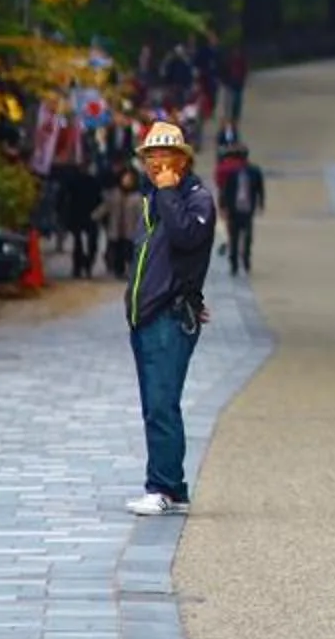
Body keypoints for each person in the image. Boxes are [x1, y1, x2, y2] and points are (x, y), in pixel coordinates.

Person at [125, 120, 216, 516]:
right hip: (146, 316)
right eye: (150, 158)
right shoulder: (155, 199)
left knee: (162, 403)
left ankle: (160, 486)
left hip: (170, 315)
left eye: (164, 157)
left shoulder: (193, 198)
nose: (156, 165)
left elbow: (188, 238)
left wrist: (166, 193)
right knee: (156, 403)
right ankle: (173, 487)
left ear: (183, 160)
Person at [215, 140, 265, 277]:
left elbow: (260, 189)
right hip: (234, 209)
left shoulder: (254, 172)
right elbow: (226, 190)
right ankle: (234, 263)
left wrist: (260, 204)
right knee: (234, 237)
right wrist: (223, 206)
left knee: (247, 236)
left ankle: (246, 259)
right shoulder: (232, 173)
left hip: (247, 209)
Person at [52, 159, 105, 278]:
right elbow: (63, 197)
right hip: (79, 216)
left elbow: (100, 200)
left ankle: (84, 266)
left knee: (87, 244)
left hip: (88, 216)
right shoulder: (75, 180)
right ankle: (81, 267)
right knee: (80, 244)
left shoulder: (91, 181)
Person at [104, 164, 141, 280]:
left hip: (131, 230)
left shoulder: (137, 197)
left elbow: (141, 213)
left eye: (129, 179)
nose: (127, 181)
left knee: (129, 252)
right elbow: (106, 207)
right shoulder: (114, 193)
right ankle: (118, 270)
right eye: (125, 179)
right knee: (116, 251)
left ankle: (129, 270)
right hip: (116, 228)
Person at [221, 40, 249, 128]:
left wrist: (243, 79)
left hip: (238, 82)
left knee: (238, 99)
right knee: (230, 100)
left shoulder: (241, 59)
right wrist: (225, 80)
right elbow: (225, 70)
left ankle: (235, 115)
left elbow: (244, 70)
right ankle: (229, 115)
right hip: (231, 82)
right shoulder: (229, 60)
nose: (236, 52)